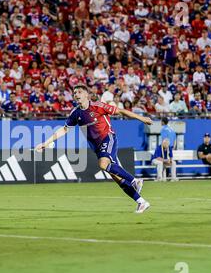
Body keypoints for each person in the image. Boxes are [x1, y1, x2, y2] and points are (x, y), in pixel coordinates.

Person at [36, 84, 153, 213]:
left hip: (108, 138)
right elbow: (64, 129)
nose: (76, 94)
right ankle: (141, 202)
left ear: (86, 94)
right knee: (117, 178)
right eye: (74, 93)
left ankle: (135, 180)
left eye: (79, 92)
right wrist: (45, 143)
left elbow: (121, 111)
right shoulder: (76, 113)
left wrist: (141, 118)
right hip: (97, 148)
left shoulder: (98, 106)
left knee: (103, 164)